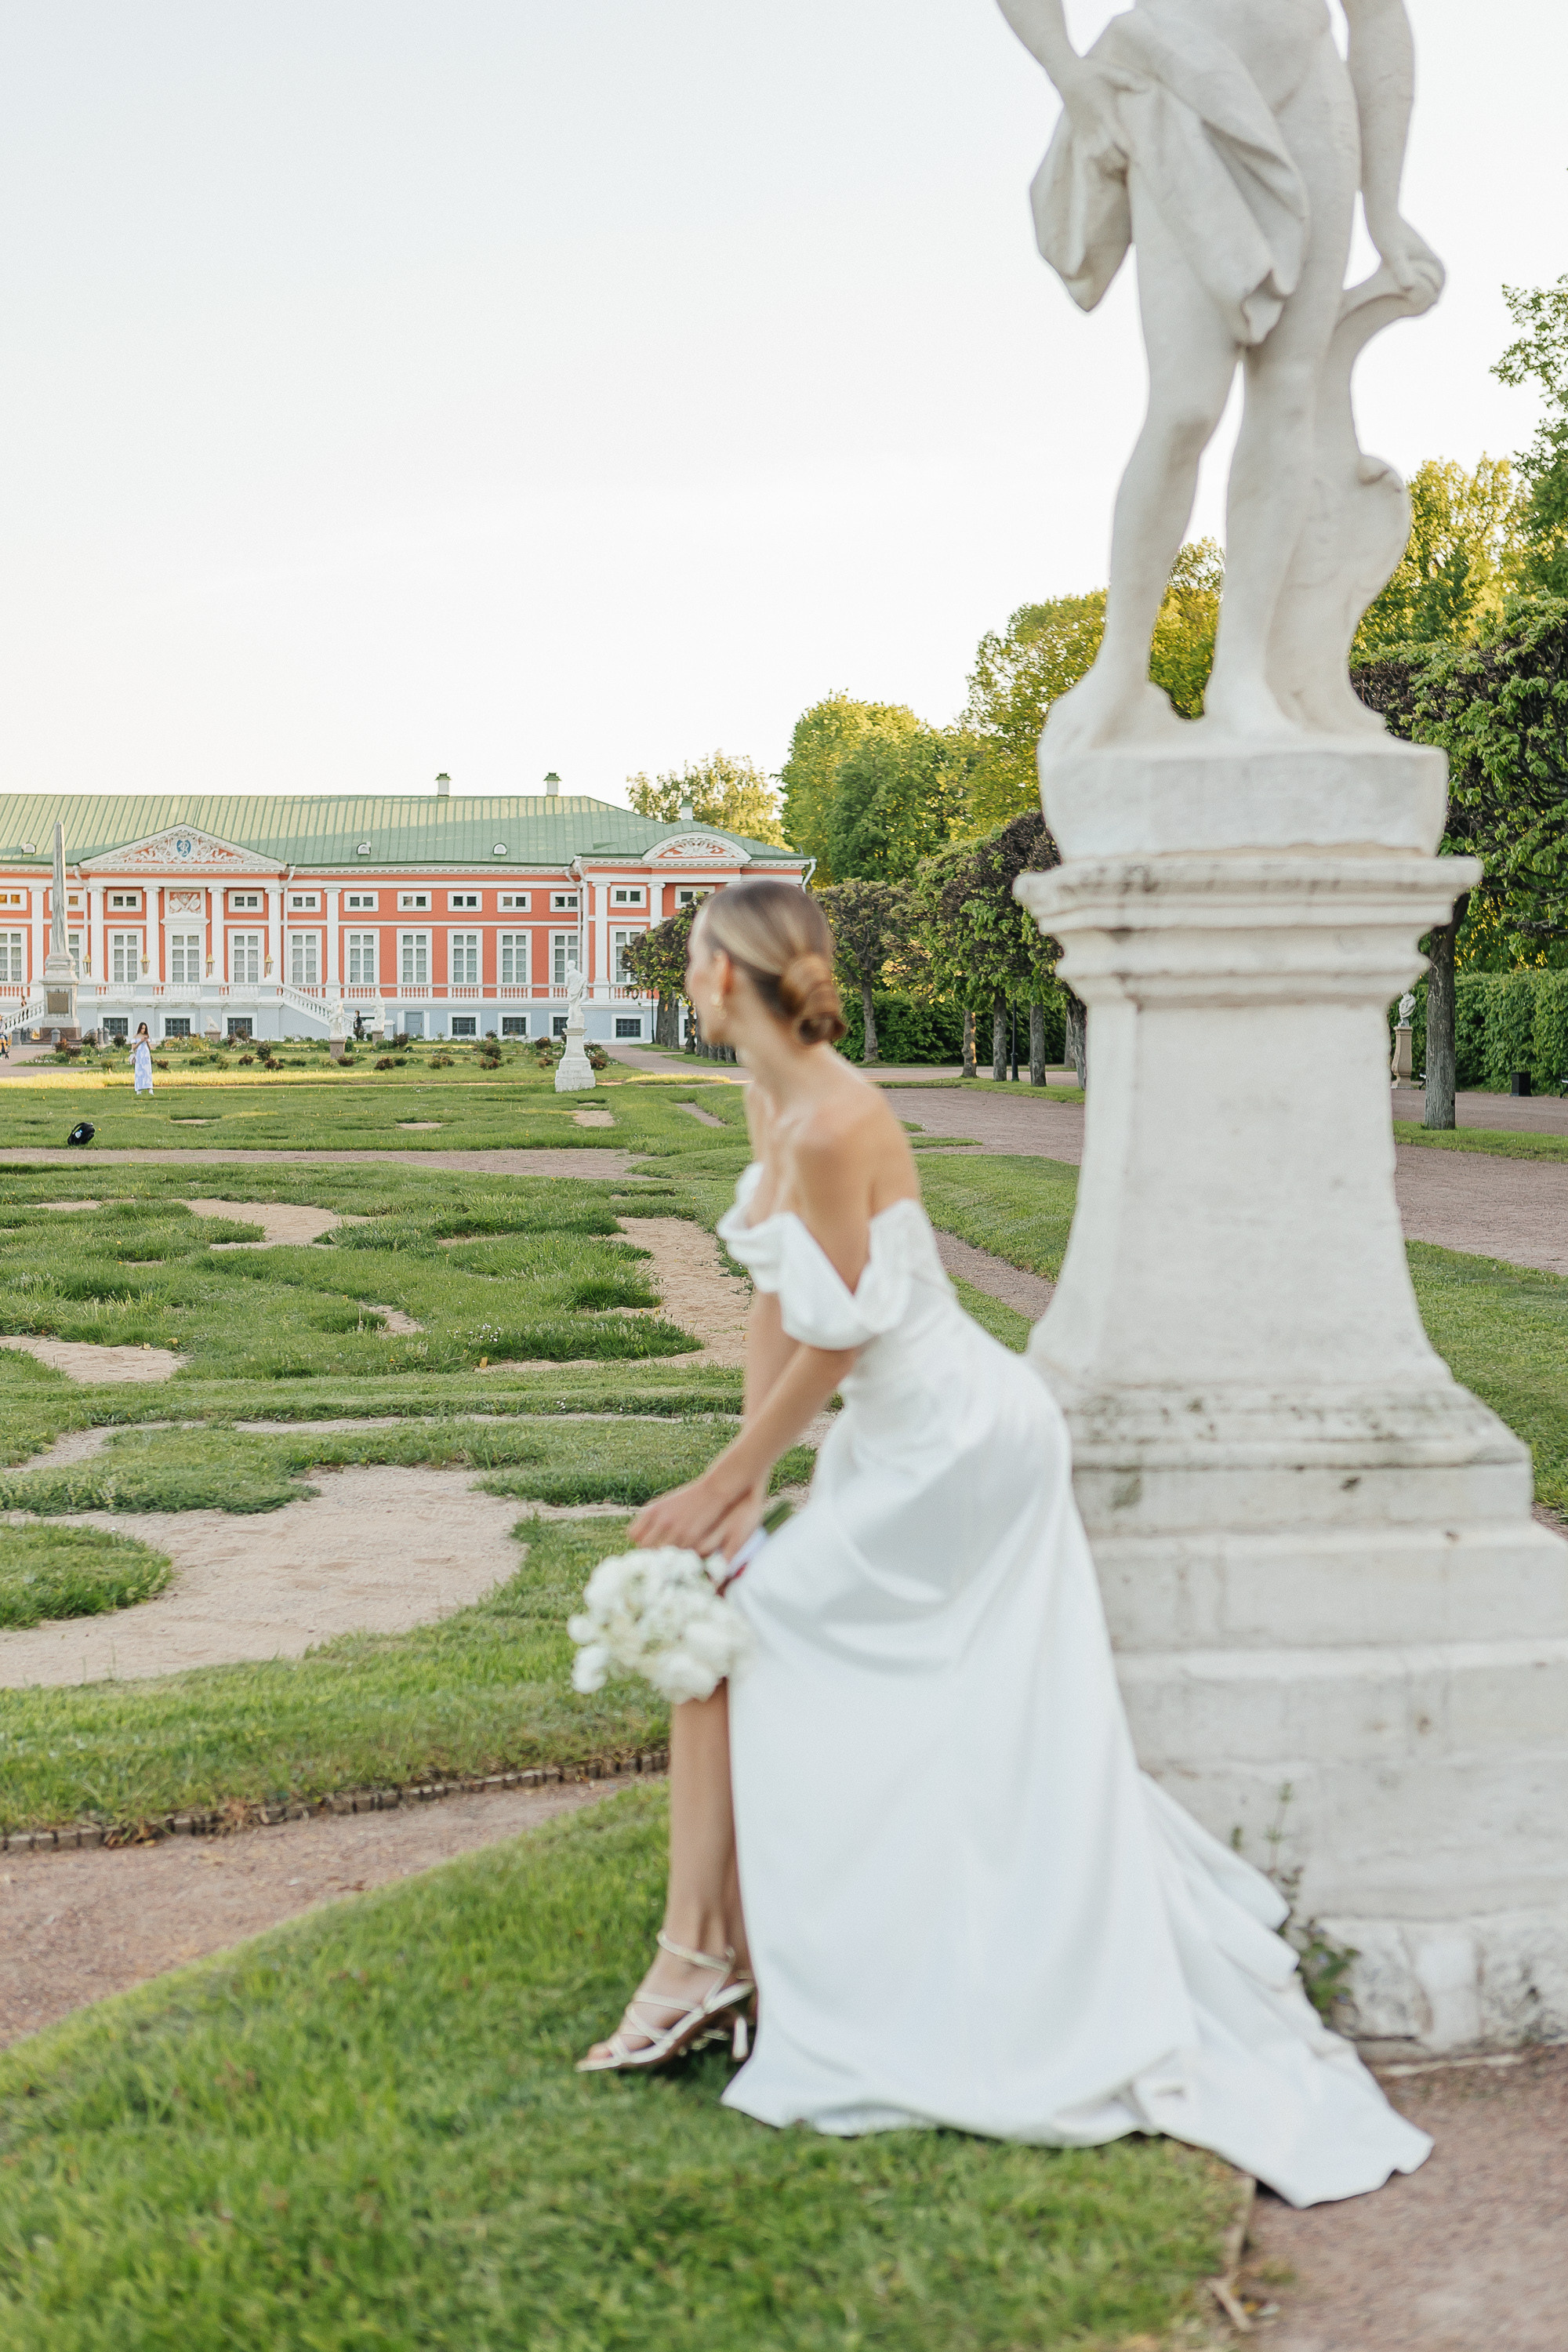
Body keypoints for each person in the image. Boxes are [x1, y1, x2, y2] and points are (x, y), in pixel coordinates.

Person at [577, 876, 1432, 2209]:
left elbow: (847, 1329)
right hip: (901, 1439)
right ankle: (714, 1954)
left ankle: (712, 1962)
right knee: (739, 1618)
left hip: (961, 1444)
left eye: (694, 959)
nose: (684, 977)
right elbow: (774, 1300)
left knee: (740, 1631)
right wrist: (743, 1483)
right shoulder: (770, 1093)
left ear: (731, 979)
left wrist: (728, 1475)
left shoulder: (832, 1117)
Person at [993, 0, 1442, 748]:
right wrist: (1071, 76)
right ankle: (1120, 668)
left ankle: (1244, 677)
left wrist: (1386, 210)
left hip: (1311, 91)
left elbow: (1378, 16)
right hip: (1175, 82)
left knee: (1289, 393)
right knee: (1185, 407)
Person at [131, 1022, 153, 1098]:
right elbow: (133, 1048)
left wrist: (147, 1041)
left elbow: (150, 1048)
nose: (143, 1030)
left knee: (147, 1071)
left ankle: (149, 1088)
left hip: (146, 1056)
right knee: (139, 1071)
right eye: (142, 1028)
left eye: (144, 1029)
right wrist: (140, 1041)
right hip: (139, 1055)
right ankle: (139, 1088)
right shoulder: (136, 1037)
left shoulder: (147, 1036)